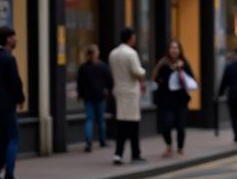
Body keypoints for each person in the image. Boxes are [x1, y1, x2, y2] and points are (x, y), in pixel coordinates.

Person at [108, 27, 146, 164]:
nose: (135, 40)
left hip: (119, 91)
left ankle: (118, 154)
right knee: (133, 125)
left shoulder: (113, 53)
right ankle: (135, 154)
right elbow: (137, 72)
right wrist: (143, 72)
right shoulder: (131, 53)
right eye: (134, 37)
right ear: (130, 38)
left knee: (121, 124)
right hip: (130, 92)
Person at [153, 39, 195, 157]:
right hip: (166, 100)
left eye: (176, 48)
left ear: (179, 50)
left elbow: (191, 79)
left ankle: (180, 147)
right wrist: (163, 81)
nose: (174, 50)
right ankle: (169, 146)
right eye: (172, 47)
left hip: (181, 100)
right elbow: (155, 77)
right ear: (168, 50)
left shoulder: (184, 63)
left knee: (181, 126)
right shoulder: (163, 63)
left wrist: (181, 71)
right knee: (166, 124)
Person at [0, 26, 25, 179]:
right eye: (14, 37)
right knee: (12, 138)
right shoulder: (8, 59)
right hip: (7, 105)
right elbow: (15, 82)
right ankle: (9, 175)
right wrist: (21, 98)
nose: (16, 39)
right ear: (8, 39)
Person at [76, 44, 113, 151]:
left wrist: (80, 94)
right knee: (100, 119)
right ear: (95, 54)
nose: (98, 54)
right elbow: (109, 81)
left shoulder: (83, 67)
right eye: (96, 52)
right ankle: (102, 140)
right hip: (99, 96)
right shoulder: (102, 66)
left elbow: (80, 82)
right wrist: (108, 90)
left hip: (89, 96)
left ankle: (89, 142)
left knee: (90, 119)